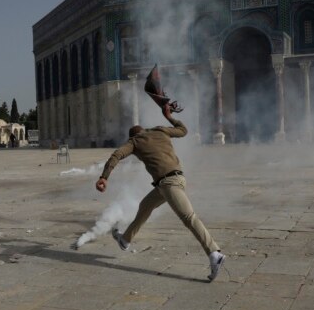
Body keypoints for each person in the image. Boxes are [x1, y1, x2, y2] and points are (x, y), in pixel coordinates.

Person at [95, 104, 225, 282]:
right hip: (171, 182)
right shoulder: (160, 131)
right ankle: (125, 239)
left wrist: (104, 177)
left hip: (169, 183)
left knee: (189, 218)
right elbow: (183, 130)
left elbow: (116, 155)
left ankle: (214, 253)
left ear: (132, 136)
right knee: (145, 206)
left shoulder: (135, 141)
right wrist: (169, 116)